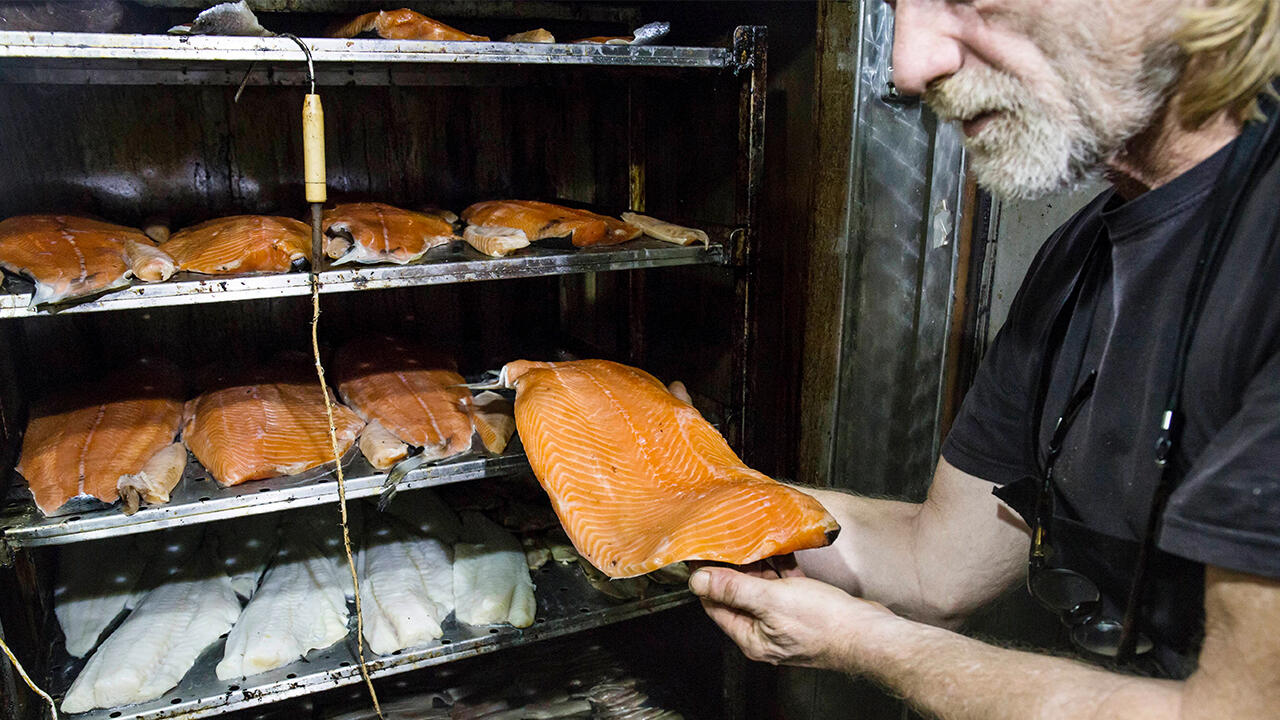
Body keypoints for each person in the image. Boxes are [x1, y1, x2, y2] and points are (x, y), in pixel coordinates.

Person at [689, 0, 1280, 717]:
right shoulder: (1080, 254)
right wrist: (694, 495)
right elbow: (935, 566)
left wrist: (875, 646)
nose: (910, 68)